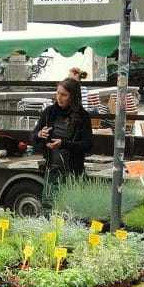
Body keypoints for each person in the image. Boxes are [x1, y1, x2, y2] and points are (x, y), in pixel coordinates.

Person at [31, 77, 93, 207]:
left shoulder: (83, 116)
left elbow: (88, 144)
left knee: (71, 211)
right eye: (58, 93)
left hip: (72, 172)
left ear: (73, 97)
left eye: (64, 95)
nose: (59, 97)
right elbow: (32, 138)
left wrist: (63, 144)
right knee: (48, 210)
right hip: (52, 171)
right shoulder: (49, 112)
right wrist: (39, 134)